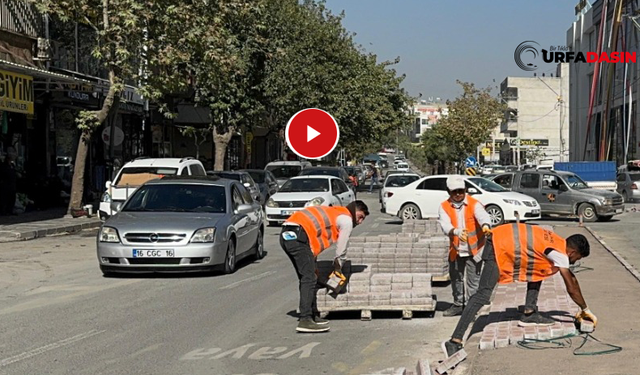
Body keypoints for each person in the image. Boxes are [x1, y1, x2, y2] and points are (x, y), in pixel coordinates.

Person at [441, 223, 595, 358]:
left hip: (500, 237)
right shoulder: (560, 254)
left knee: (541, 269)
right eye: (577, 258)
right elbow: (571, 286)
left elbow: (542, 266)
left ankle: (529, 312)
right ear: (572, 253)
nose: (575, 262)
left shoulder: (556, 240)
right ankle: (454, 340)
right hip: (497, 245)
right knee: (482, 295)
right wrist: (585, 309)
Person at [280, 200, 370, 333]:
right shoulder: (346, 219)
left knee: (307, 276)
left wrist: (314, 264)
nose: (360, 221)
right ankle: (305, 319)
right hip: (297, 235)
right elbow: (342, 248)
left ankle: (310, 315)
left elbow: (312, 240)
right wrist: (338, 266)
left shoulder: (334, 213)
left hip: (289, 233)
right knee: (309, 278)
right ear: (354, 210)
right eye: (360, 216)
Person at [438, 175, 492, 317]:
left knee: (474, 282)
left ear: (465, 190)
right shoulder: (444, 206)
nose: (458, 194)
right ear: (449, 192)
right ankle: (458, 304)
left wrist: (486, 226)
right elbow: (445, 224)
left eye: (460, 191)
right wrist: (455, 231)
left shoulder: (474, 204)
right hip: (456, 250)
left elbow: (482, 216)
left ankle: (471, 308)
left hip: (474, 250)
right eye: (454, 192)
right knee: (456, 278)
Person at [0, 148, 18, 215]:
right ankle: (4, 211)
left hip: (12, 184)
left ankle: (10, 210)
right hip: (6, 184)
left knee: (12, 197)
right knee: (5, 198)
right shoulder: (3, 166)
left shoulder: (12, 165)